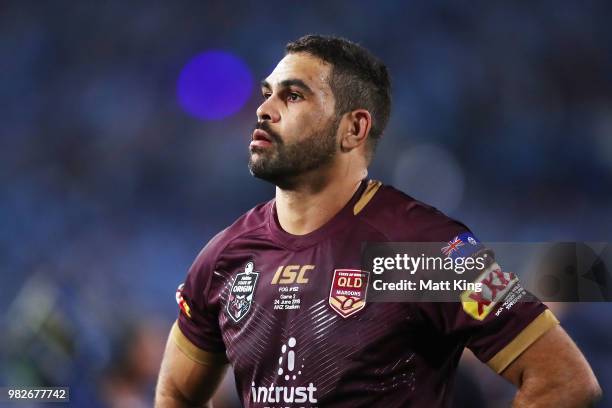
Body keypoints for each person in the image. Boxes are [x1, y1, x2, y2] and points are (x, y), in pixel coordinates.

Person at [155, 35, 601, 407]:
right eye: (266, 94)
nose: (264, 109)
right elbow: (176, 391)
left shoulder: (422, 253)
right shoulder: (226, 257)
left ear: (354, 129)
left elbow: (563, 383)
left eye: (292, 95)